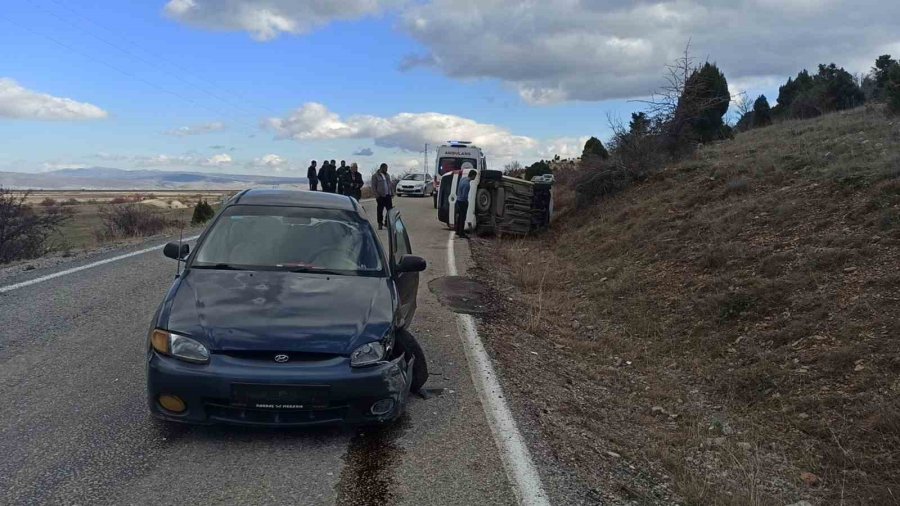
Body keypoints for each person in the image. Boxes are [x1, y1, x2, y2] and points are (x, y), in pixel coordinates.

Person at [455, 168, 477, 239]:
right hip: (462, 201)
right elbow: (464, 195)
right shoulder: (467, 184)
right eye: (475, 176)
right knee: (463, 217)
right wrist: (467, 202)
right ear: (473, 176)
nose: (475, 178)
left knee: (459, 216)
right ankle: (461, 233)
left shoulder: (463, 179)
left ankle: (457, 230)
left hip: (458, 200)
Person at [371, 163, 394, 229]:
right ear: (381, 168)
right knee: (380, 210)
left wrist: (392, 193)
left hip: (387, 195)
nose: (386, 170)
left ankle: (387, 222)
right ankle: (380, 223)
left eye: (387, 168)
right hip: (380, 196)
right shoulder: (375, 176)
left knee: (389, 210)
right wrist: (377, 196)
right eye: (385, 168)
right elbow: (373, 187)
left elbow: (390, 184)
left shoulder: (388, 175)